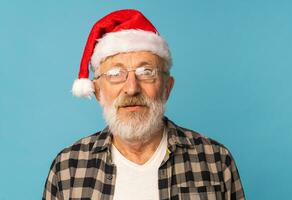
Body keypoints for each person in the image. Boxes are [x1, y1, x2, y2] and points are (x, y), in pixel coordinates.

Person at [42, 9, 245, 200]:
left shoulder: (216, 161)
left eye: (146, 72)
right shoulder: (68, 167)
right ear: (97, 91)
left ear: (167, 87)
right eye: (115, 74)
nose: (131, 88)